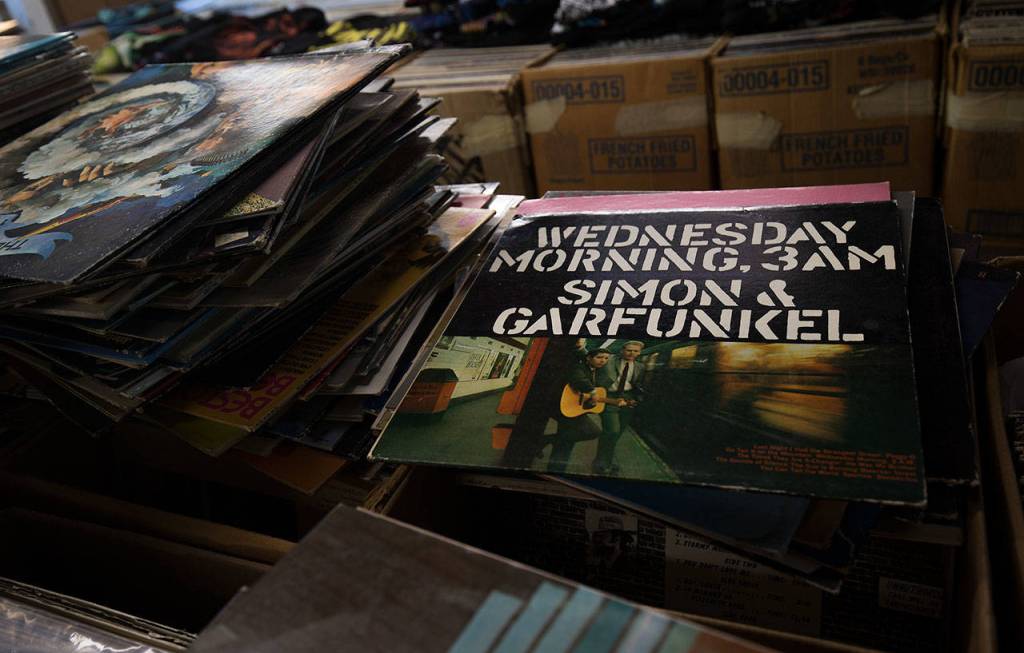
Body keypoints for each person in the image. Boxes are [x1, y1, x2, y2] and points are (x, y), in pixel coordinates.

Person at [549, 347, 619, 472]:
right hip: (566, 406)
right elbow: (579, 379)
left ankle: (556, 466)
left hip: (576, 408)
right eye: (599, 357)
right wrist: (592, 392)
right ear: (588, 357)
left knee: (567, 440)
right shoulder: (579, 367)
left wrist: (593, 400)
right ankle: (548, 447)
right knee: (590, 432)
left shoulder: (596, 371)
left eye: (606, 358)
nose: (603, 361)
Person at [593, 340, 645, 475]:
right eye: (629, 350)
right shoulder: (608, 360)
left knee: (617, 434)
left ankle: (606, 461)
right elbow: (590, 360)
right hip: (609, 397)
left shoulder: (640, 366)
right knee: (612, 431)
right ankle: (601, 464)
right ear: (622, 350)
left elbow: (638, 384)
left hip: (628, 399)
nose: (632, 353)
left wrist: (636, 399)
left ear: (639, 353)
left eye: (635, 351)